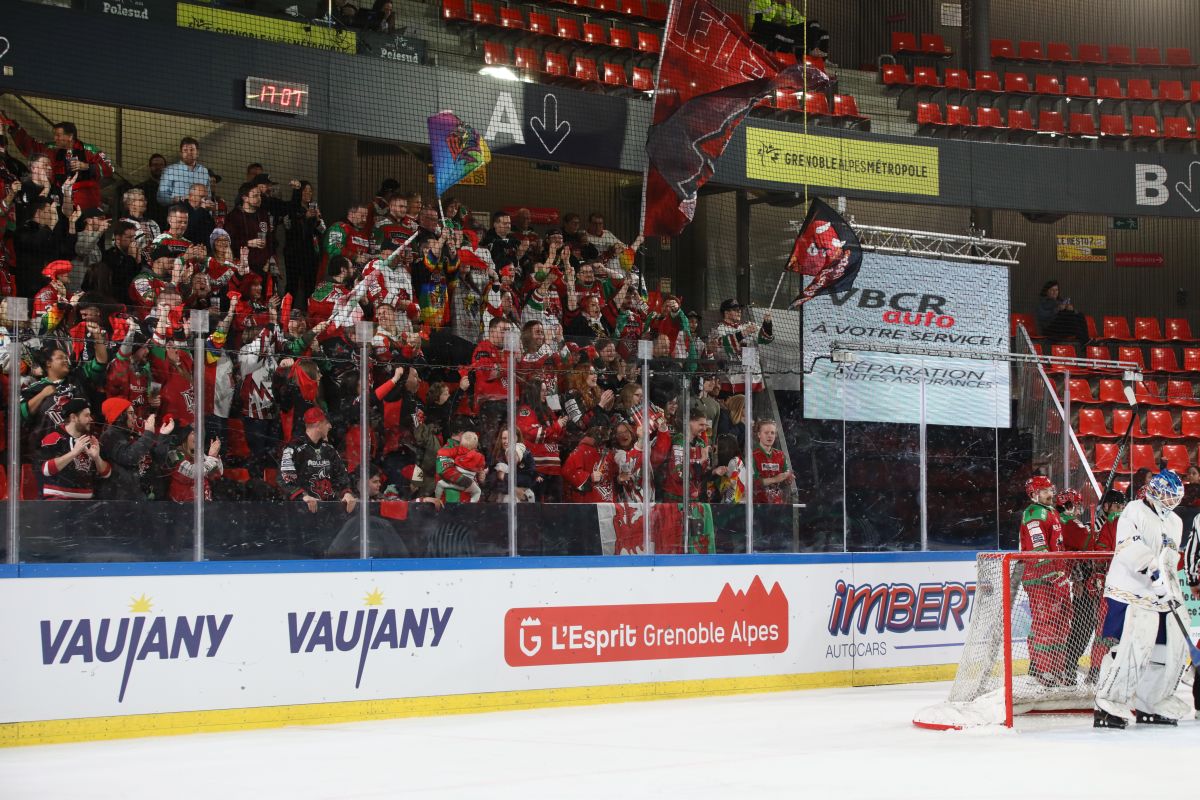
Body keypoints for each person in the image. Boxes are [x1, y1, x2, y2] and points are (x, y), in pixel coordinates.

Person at [1093, 468, 1189, 728]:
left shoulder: (1175, 522)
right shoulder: (1134, 510)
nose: (1172, 502)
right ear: (1156, 492)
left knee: (1163, 652)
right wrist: (1150, 569)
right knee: (1127, 649)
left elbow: (1170, 559)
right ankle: (1107, 705)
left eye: (1175, 497)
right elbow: (1127, 546)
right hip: (1130, 591)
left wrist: (1169, 587)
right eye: (1168, 497)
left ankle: (1150, 703)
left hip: (1159, 596)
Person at [1018, 475, 1075, 688]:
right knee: (1046, 623)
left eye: (1050, 489)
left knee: (1060, 623)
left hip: (1055, 576)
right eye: (1044, 491)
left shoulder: (1051, 512)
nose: (1050, 493)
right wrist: (1052, 574)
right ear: (1034, 494)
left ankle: (1056, 668)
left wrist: (1061, 573)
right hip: (1040, 577)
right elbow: (1039, 548)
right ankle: (1041, 669)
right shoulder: (1034, 513)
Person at [281, 406, 357, 514]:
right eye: (326, 423)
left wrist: (347, 493)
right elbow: (284, 479)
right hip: (302, 513)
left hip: (329, 513)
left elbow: (342, 477)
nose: (330, 426)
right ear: (317, 424)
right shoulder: (293, 448)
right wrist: (303, 496)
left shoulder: (329, 449)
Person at [36, 397, 111, 499]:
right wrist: (74, 453)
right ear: (73, 417)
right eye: (86, 415)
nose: (91, 419)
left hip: (87, 506)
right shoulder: (55, 438)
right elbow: (46, 469)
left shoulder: (91, 440)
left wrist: (97, 458)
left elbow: (106, 473)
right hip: (57, 503)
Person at [158, 137, 210, 207]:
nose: (189, 153)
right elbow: (161, 197)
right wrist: (179, 199)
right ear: (181, 153)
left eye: (192, 150)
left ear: (197, 152)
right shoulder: (169, 171)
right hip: (179, 215)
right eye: (185, 150)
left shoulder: (204, 171)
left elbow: (208, 196)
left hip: (201, 215)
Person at [751, 419, 791, 504]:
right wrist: (775, 479)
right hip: (758, 504)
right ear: (759, 434)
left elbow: (787, 475)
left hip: (778, 504)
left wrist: (789, 478)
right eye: (766, 433)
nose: (770, 436)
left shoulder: (781, 455)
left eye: (772, 433)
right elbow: (753, 482)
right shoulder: (752, 456)